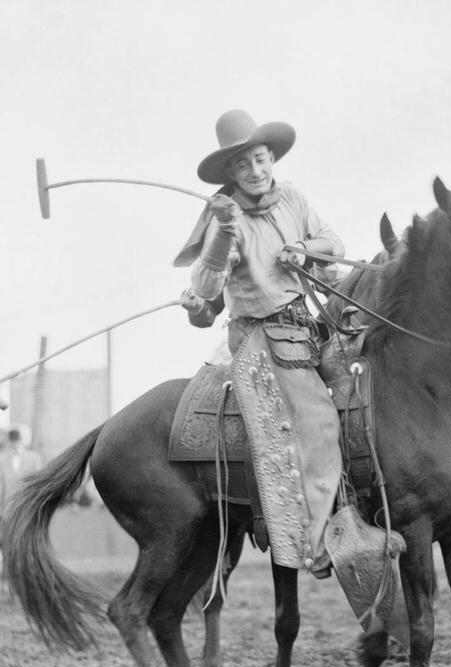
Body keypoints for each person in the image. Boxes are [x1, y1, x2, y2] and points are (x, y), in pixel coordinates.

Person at [173, 109, 344, 574]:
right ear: (229, 173)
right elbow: (207, 287)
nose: (255, 171)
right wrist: (223, 232)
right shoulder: (223, 218)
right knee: (318, 422)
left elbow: (333, 241)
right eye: (243, 165)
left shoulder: (291, 198)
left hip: (305, 327)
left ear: (272, 159)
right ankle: (314, 538)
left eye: (261, 159)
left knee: (360, 387)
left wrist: (304, 250)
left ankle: (360, 509)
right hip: (258, 338)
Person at [0, 425, 44, 525]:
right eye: (12, 441)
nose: (14, 444)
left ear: (21, 440)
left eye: (16, 440)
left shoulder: (34, 458)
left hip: (27, 507)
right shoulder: (1, 460)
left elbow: (38, 483)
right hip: (7, 508)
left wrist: (37, 506)